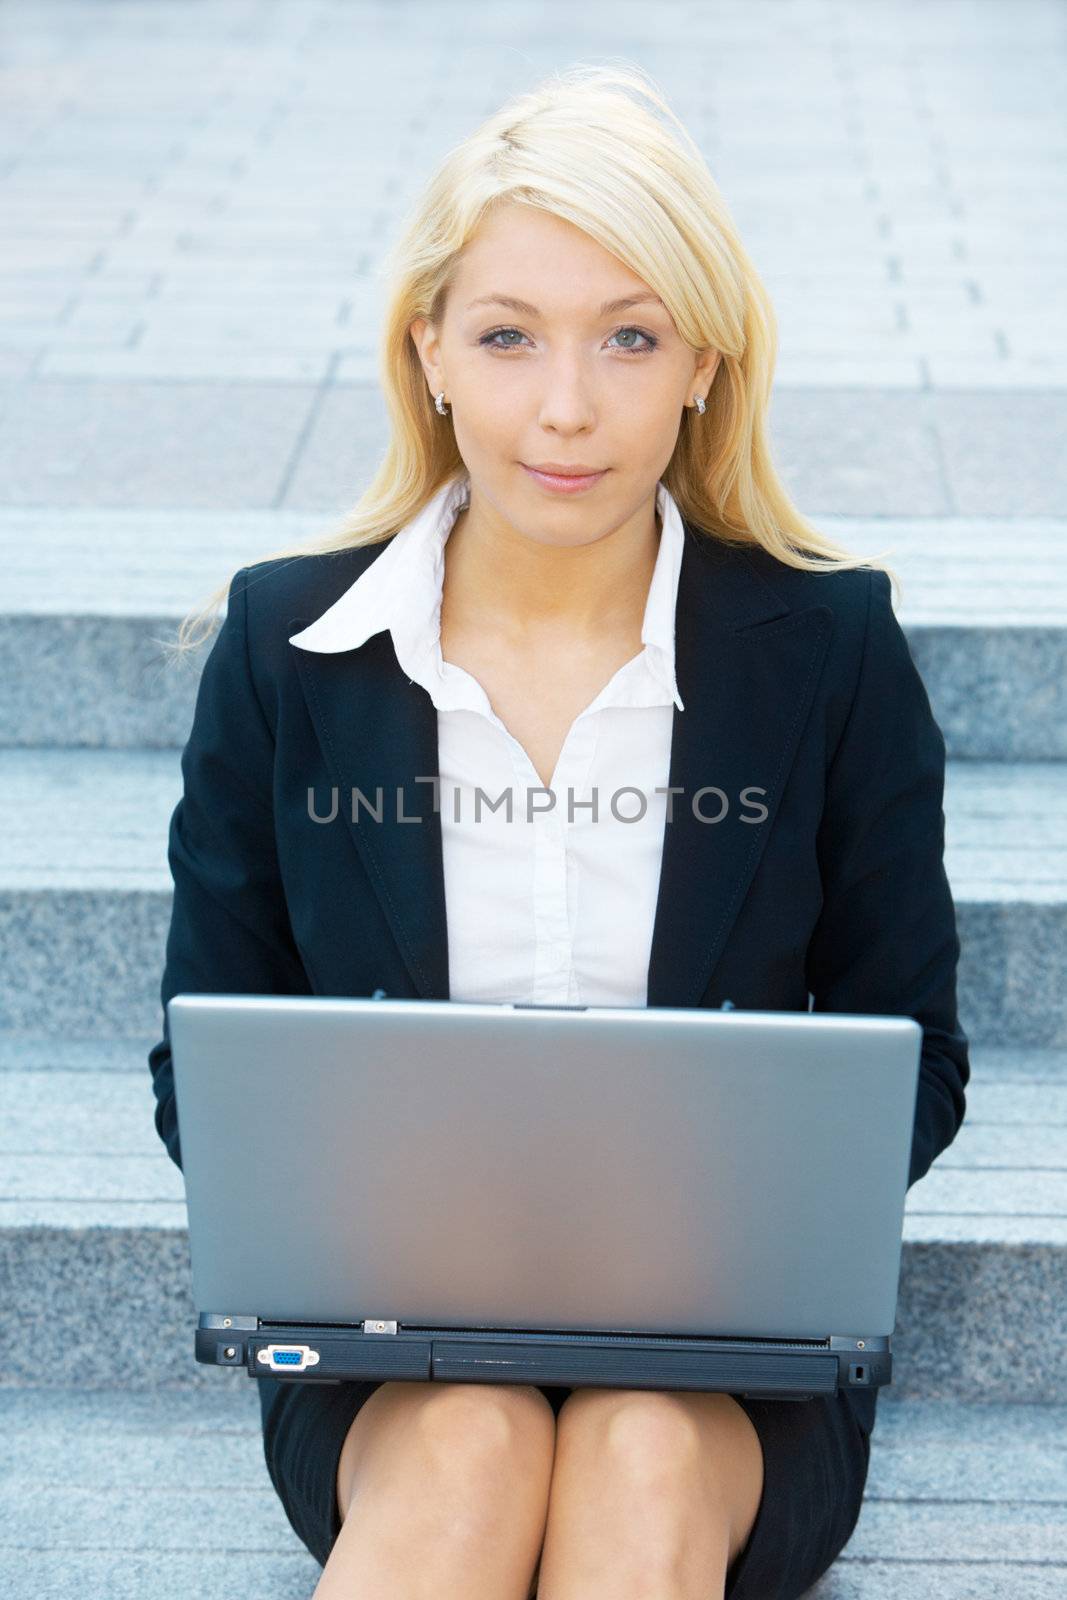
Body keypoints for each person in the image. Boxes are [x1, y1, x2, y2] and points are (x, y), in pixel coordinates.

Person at [149, 62, 969, 1600]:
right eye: (510, 336)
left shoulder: (831, 650)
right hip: (385, 1346)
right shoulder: (284, 649)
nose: (569, 408)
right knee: (468, 1450)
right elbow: (205, 1070)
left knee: (639, 1449)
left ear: (705, 364)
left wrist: (709, 1225)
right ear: (431, 353)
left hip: (734, 1354)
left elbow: (914, 1058)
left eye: (631, 336)